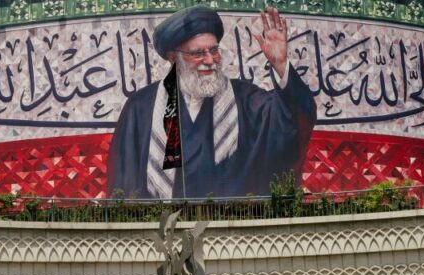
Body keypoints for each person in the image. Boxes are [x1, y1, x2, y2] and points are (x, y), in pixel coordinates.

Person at [107, 6, 317, 199]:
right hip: (163, 230)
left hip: (233, 227)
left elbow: (292, 117)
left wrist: (280, 64)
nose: (209, 60)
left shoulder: (245, 99)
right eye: (198, 53)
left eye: (214, 50)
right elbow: (125, 181)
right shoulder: (141, 108)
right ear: (173, 58)